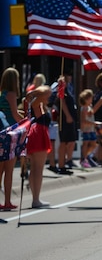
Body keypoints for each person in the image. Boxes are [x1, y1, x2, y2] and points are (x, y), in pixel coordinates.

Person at [25, 85, 53, 208]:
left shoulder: (40, 105)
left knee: (35, 168)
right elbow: (43, 93)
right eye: (47, 95)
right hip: (38, 135)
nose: (49, 96)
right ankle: (36, 200)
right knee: (38, 169)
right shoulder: (36, 103)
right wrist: (35, 92)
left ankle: (35, 198)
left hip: (37, 135)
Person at [0, 67, 24, 210]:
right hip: (10, 134)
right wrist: (27, 122)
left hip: (1, 131)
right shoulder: (12, 94)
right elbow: (15, 115)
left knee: (0, 170)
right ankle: (7, 201)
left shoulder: (2, 94)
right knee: (9, 170)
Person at [56, 72, 78, 174]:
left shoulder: (69, 87)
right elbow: (61, 101)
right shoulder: (61, 86)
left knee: (70, 141)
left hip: (70, 117)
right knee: (64, 142)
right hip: (65, 118)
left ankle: (66, 161)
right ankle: (61, 164)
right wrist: (68, 115)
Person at [79, 89, 98, 168]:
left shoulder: (90, 107)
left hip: (91, 128)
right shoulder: (84, 108)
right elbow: (83, 120)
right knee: (86, 143)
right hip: (86, 129)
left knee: (93, 143)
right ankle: (84, 159)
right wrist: (93, 123)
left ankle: (86, 156)